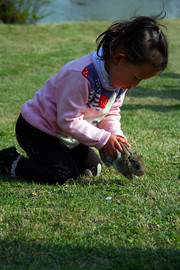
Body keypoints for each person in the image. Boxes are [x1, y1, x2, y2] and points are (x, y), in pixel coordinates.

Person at [0, 15, 168, 185]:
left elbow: (111, 112)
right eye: (136, 77)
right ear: (118, 59)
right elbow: (68, 120)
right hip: (38, 130)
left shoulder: (119, 81)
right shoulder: (81, 76)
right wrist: (102, 139)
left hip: (65, 135)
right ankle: (9, 162)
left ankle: (53, 156)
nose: (136, 85)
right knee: (64, 174)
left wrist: (114, 135)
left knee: (93, 168)